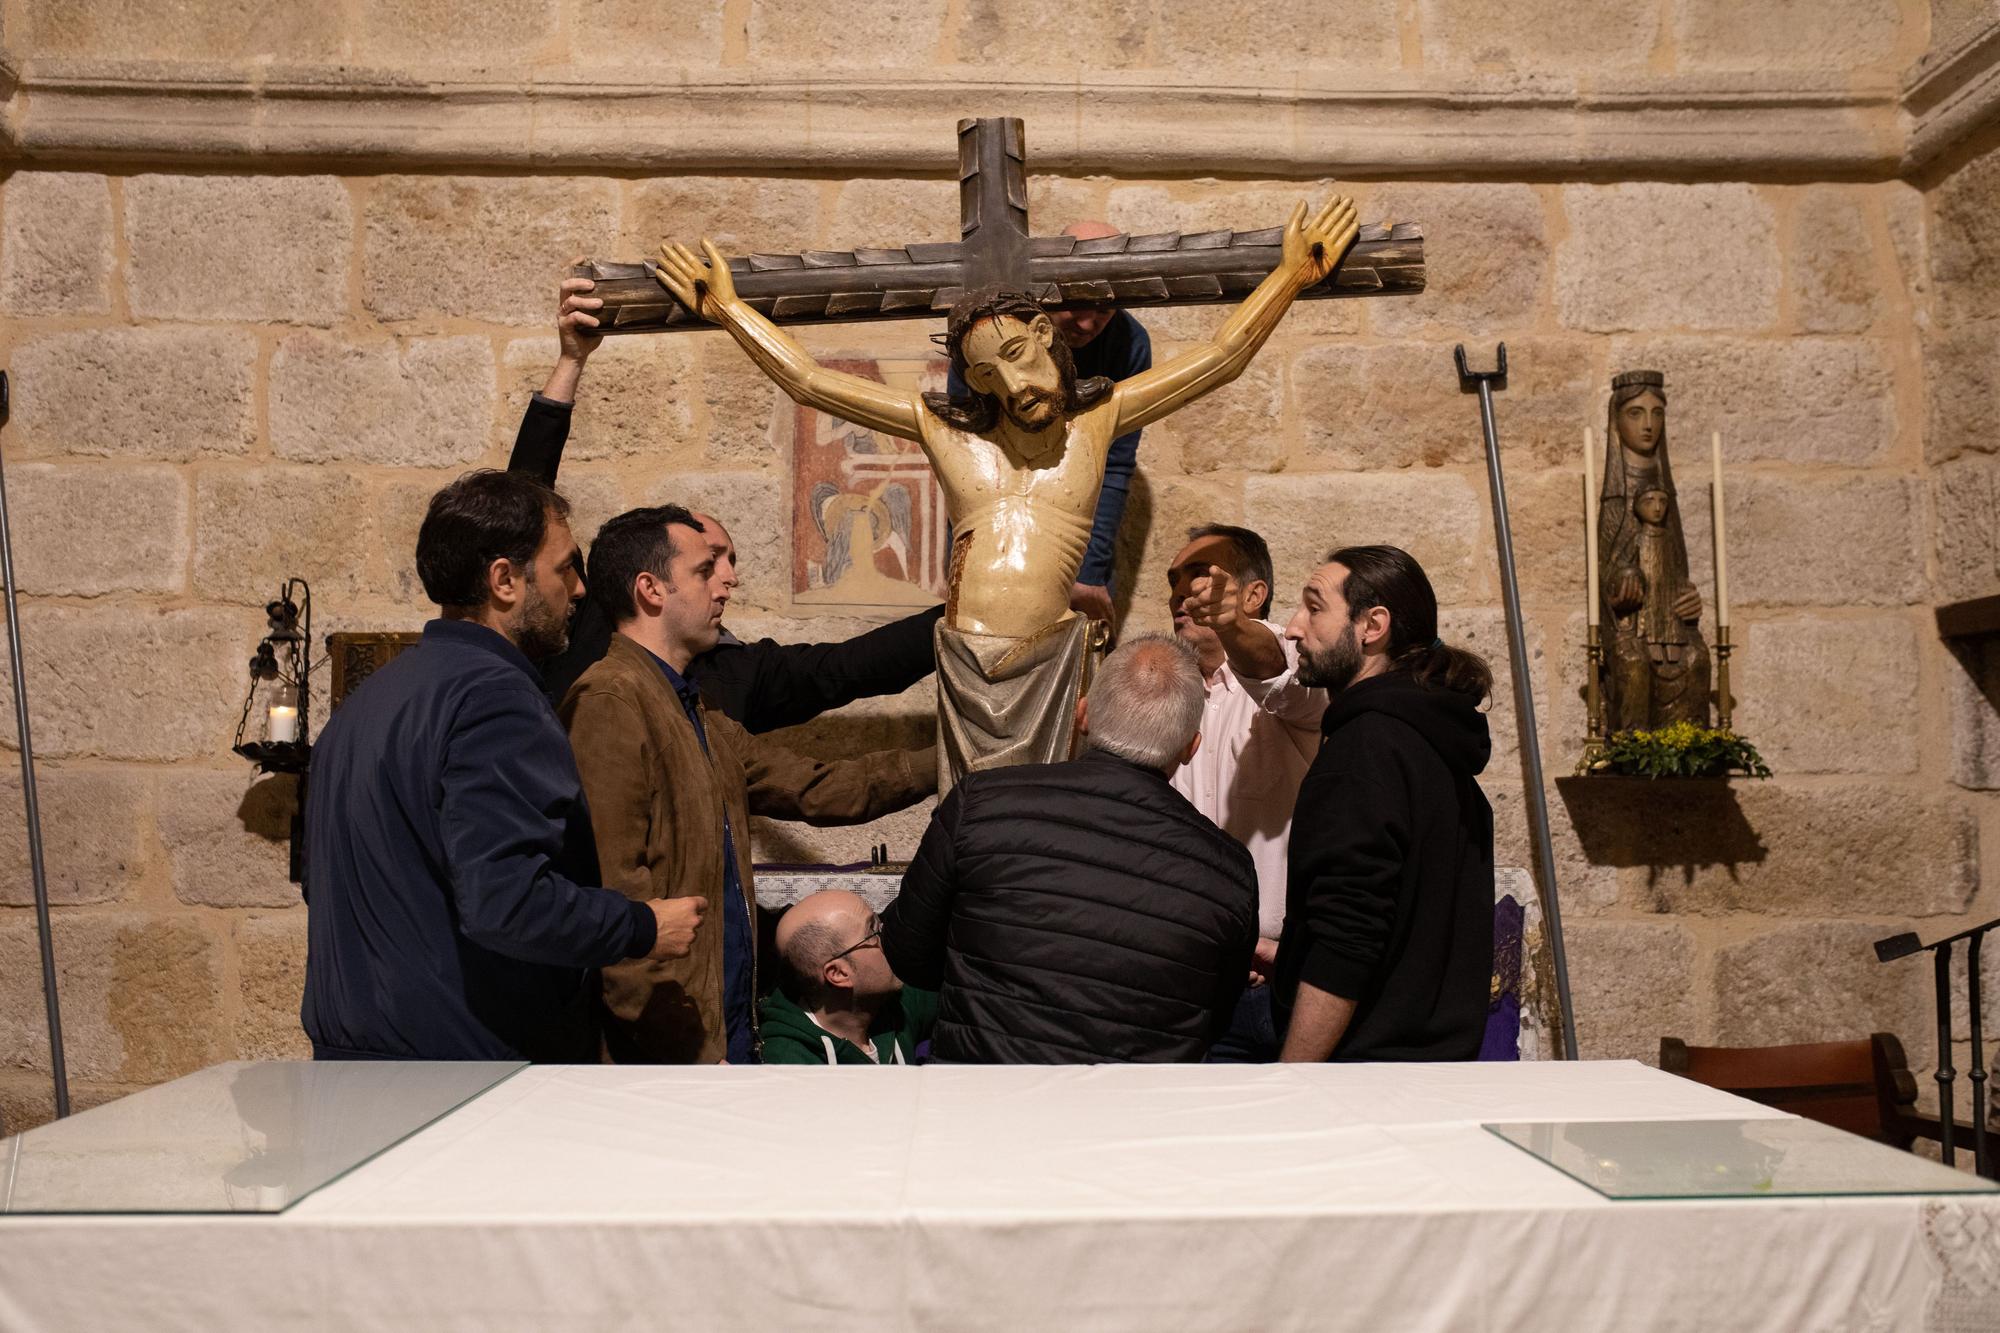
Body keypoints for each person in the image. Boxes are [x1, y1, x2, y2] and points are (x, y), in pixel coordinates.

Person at [654, 197, 1359, 792]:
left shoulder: (1098, 422)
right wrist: (727, 309)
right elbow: (809, 381)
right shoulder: (947, 433)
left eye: (1020, 358)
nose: (1014, 387)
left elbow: (1222, 358)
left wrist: (1291, 276)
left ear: (1048, 335)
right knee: (971, 823)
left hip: (1051, 659)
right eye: (987, 376)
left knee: (1042, 819)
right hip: (963, 662)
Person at [301, 470, 705, 1062]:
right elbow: (506, 904)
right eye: (565, 567)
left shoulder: (367, 703)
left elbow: (324, 885)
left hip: (354, 1070)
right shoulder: (494, 696)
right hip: (459, 1079)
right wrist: (642, 925)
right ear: (505, 580)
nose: (580, 589)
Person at [561, 505, 937, 1064]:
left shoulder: (696, 710)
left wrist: (959, 760)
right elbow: (619, 899)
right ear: (651, 590)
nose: (725, 585)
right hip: (673, 1045)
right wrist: (676, 1044)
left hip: (720, 1019)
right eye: (703, 571)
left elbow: (818, 786)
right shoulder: (612, 701)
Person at [509, 266, 945, 724]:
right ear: (647, 582)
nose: (730, 578)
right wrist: (571, 362)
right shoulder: (579, 631)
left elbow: (851, 667)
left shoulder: (735, 673)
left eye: (729, 560)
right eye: (708, 560)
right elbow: (521, 505)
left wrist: (976, 605)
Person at [880, 635, 1258, 1063]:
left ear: (1082, 715)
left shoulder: (982, 805)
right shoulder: (1228, 870)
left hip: (982, 1101)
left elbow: (907, 953)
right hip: (1136, 1119)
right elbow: (1215, 1014)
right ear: (1191, 747)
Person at [1273, 545, 1495, 1063]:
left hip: (1362, 1068)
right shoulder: (1433, 737)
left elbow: (1349, 938)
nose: (1291, 628)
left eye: (1313, 607)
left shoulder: (1365, 747)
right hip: (1432, 1065)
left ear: (1371, 625)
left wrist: (1292, 1078)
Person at [1167, 523, 1325, 1062]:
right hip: (1190, 984)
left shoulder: (1297, 674)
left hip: (1278, 984)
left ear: (1253, 595)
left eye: (1201, 577)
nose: (1182, 595)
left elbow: (1271, 669)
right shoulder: (1166, 697)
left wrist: (1235, 626)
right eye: (1175, 582)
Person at [945, 221, 1153, 626]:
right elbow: (967, 450)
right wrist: (967, 558)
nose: (1089, 324)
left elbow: (1114, 463)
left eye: (1104, 311)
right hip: (991, 508)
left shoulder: (1129, 344)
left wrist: (1090, 573)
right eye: (1076, 305)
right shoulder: (988, 334)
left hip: (1072, 518)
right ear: (1047, 285)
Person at [759, 890, 938, 1066]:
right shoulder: (791, 1065)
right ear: (839, 973)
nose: (888, 938)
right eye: (873, 932)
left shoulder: (894, 1001)